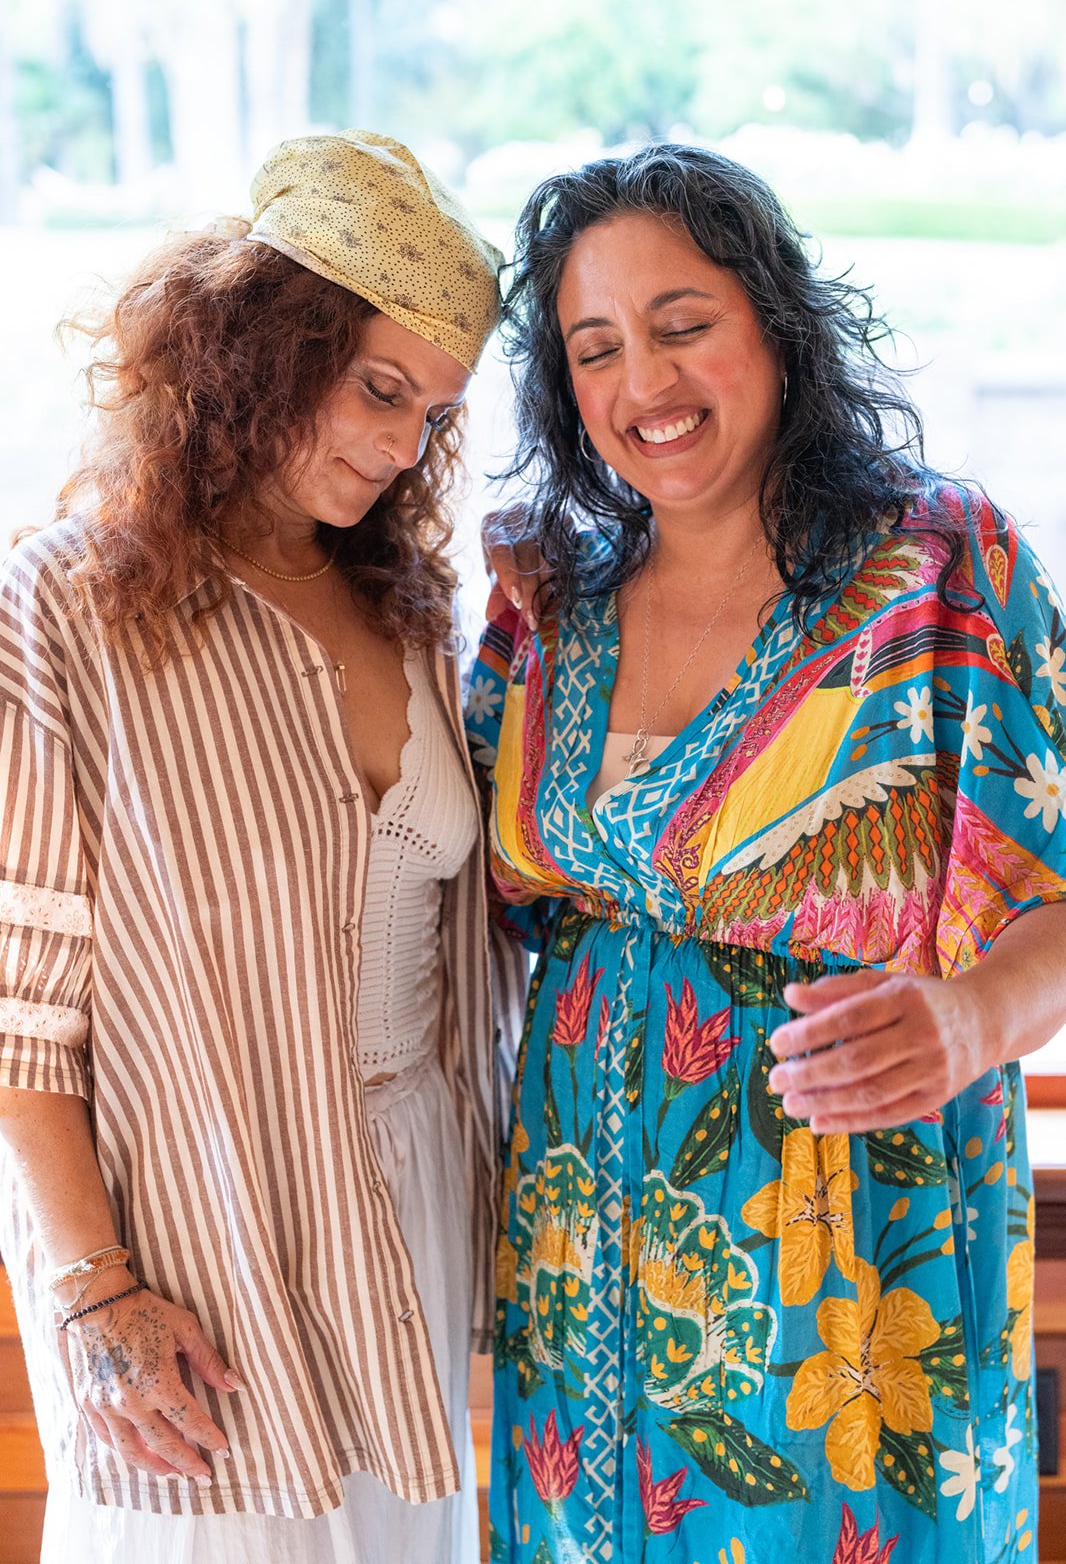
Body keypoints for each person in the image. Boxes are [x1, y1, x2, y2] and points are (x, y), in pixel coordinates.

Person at [468, 142, 1066, 1563]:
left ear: (774, 328)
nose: (643, 386)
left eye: (682, 326)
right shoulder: (550, 601)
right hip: (580, 1271)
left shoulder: (939, 565)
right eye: (593, 347)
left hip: (849, 1265)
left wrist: (975, 1016)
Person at [0, 128, 515, 1564]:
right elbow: (17, 1019)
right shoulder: (69, 612)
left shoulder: (411, 610)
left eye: (431, 411)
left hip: (408, 1200)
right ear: (259, 351)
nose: (402, 444)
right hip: (198, 1232)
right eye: (376, 387)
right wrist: (100, 1296)